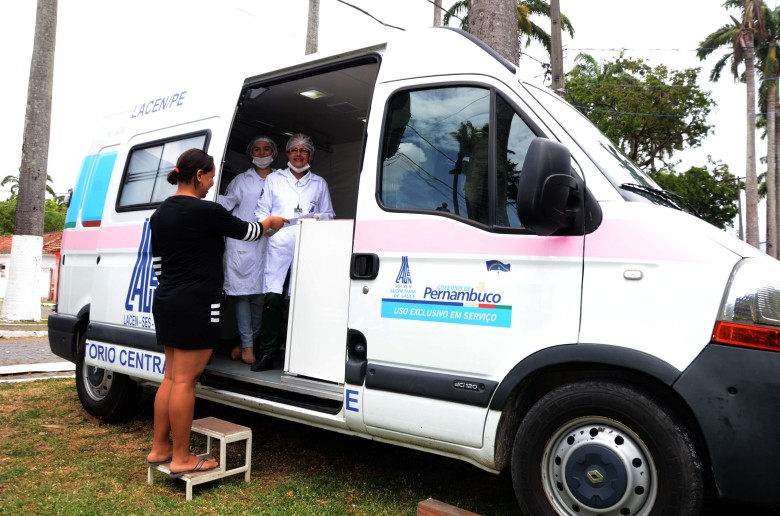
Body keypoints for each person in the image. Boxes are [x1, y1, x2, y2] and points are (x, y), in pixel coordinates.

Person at [145, 148, 286, 477]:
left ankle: (160, 448)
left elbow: (157, 265)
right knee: (185, 381)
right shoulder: (206, 211)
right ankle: (181, 458)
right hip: (197, 303)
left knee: (170, 377)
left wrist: (176, 287)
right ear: (198, 176)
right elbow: (248, 231)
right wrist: (271, 223)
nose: (211, 184)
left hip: (166, 300)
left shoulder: (160, 214)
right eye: (209, 177)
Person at [251, 133, 335, 372]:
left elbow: (329, 214)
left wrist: (316, 218)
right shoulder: (274, 180)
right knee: (273, 299)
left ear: (311, 155)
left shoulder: (319, 183)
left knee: (304, 301)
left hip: (308, 246)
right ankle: (267, 353)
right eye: (294, 150)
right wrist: (269, 225)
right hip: (279, 244)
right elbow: (260, 212)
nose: (299, 154)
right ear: (287, 154)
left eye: (304, 150)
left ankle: (301, 356)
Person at [217, 136, 278, 364]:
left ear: (274, 152)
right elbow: (225, 205)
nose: (262, 153)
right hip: (243, 244)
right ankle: (248, 348)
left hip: (270, 245)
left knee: (261, 298)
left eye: (266, 149)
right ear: (250, 154)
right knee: (243, 296)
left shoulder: (281, 178)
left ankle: (244, 346)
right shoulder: (242, 181)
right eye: (257, 149)